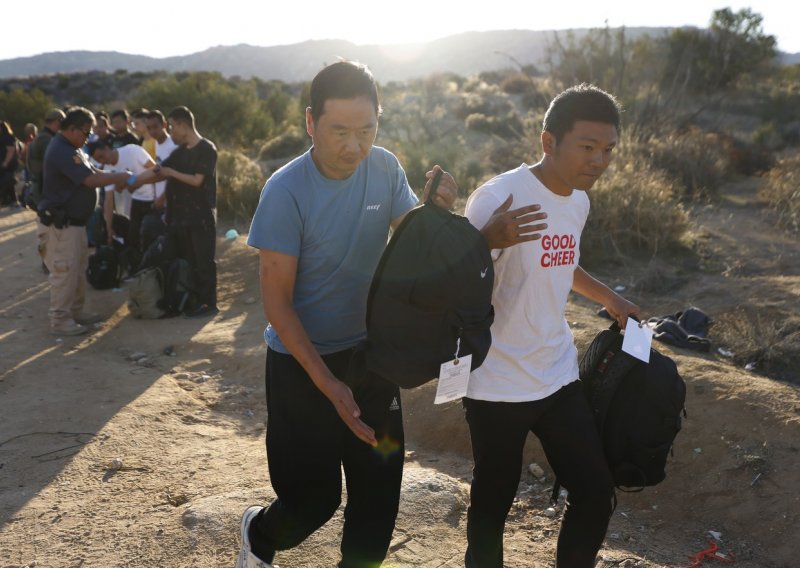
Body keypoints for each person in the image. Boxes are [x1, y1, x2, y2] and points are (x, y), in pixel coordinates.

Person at [462, 83, 641, 568]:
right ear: (548, 142)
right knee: (492, 504)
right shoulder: (498, 199)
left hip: (556, 372)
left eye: (607, 150)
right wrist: (481, 242)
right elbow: (455, 284)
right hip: (495, 380)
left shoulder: (578, 200)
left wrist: (611, 298)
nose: (599, 160)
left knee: (594, 490)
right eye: (587, 147)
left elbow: (561, 264)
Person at [37, 106, 134, 335]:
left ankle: (75, 313)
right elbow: (90, 180)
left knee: (77, 271)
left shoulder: (73, 148)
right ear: (71, 129)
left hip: (75, 223)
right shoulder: (62, 149)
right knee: (64, 272)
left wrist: (116, 176)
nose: (88, 137)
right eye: (85, 132)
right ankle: (61, 320)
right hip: (62, 224)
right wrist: (122, 176)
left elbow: (94, 173)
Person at [129, 105, 219, 318]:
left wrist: (171, 172)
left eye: (172, 126)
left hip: (201, 218)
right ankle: (192, 301)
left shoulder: (207, 149)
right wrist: (130, 180)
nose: (170, 132)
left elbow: (197, 180)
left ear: (183, 125)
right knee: (189, 261)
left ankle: (208, 304)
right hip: (180, 219)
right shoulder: (179, 153)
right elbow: (158, 171)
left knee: (203, 262)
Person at [87, 138, 156, 254]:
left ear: (107, 148)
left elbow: (154, 168)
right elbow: (109, 200)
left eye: (102, 156)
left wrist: (133, 181)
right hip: (136, 200)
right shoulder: (108, 169)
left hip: (153, 198)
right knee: (133, 238)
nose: (103, 161)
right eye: (99, 160)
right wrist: (109, 229)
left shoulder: (132, 150)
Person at [145, 109, 177, 206]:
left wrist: (161, 199)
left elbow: (174, 178)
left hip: (171, 202)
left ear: (164, 125)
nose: (152, 131)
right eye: (149, 128)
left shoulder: (173, 146)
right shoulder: (156, 143)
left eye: (155, 127)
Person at [0, 120, 19, 207]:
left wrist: (5, 163)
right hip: (8, 163)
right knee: (8, 183)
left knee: (6, 181)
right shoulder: (8, 137)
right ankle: (12, 201)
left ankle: (12, 201)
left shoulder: (6, 137)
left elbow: (11, 151)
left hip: (8, 164)